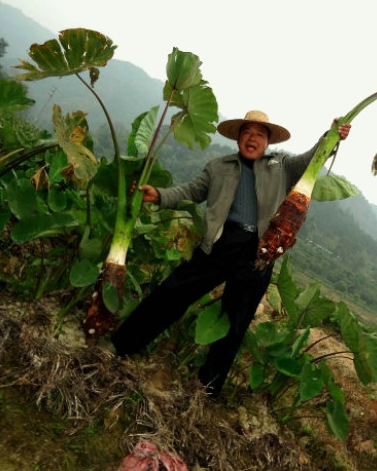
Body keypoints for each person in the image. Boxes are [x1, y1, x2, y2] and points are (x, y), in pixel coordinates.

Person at [111, 110, 351, 399]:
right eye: (247, 132)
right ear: (238, 138)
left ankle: (206, 389)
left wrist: (331, 137)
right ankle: (121, 345)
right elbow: (190, 191)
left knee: (235, 321)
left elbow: (313, 159)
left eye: (260, 134)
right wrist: (159, 195)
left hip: (259, 251)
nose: (252, 138)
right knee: (172, 293)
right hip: (220, 243)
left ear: (267, 142)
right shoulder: (219, 167)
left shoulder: (282, 166)